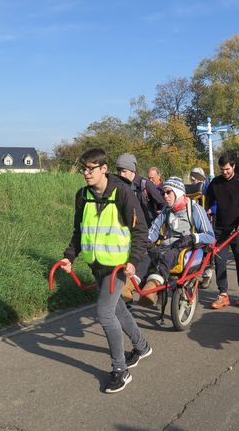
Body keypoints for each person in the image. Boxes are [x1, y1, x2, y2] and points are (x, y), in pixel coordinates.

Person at [60, 148, 150, 394]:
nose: (86, 173)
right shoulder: (83, 196)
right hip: (96, 264)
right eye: (84, 169)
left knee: (104, 313)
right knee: (117, 308)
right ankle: (141, 346)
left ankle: (120, 370)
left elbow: (140, 231)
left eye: (91, 168)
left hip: (118, 267)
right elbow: (79, 232)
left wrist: (134, 260)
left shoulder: (122, 193)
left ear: (104, 169)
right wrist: (69, 257)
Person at [131, 177, 215, 306]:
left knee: (167, 257)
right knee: (146, 256)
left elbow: (210, 236)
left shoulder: (194, 209)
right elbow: (154, 229)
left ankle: (151, 290)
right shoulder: (166, 210)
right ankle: (130, 287)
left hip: (185, 248)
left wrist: (193, 238)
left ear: (178, 192)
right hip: (167, 245)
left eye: (168, 192)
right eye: (163, 193)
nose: (165, 196)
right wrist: (147, 241)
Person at [204, 152, 239, 309]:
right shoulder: (216, 183)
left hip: (238, 229)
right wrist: (205, 212)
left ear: (233, 166)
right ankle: (223, 294)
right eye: (222, 169)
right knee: (219, 261)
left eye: (227, 169)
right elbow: (207, 201)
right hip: (220, 229)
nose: (224, 172)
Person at [116, 153, 165, 226]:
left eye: (124, 171)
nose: (121, 174)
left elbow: (162, 204)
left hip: (147, 229)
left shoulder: (145, 184)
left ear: (132, 170)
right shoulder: (120, 186)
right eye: (119, 171)